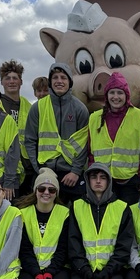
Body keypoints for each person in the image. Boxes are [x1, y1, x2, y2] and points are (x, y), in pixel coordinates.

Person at [80, 72, 140, 203]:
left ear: (126, 95)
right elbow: (90, 151)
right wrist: (94, 175)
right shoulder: (94, 118)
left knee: (127, 220)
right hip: (102, 182)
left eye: (120, 93)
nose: (116, 97)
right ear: (106, 95)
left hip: (130, 183)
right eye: (112, 93)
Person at [24, 62, 90, 202]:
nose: (59, 81)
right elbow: (30, 140)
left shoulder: (80, 109)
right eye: (55, 78)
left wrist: (76, 171)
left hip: (70, 175)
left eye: (63, 78)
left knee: (71, 216)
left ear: (69, 82)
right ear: (50, 82)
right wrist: (39, 169)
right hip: (44, 170)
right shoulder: (37, 108)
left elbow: (85, 144)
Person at [0, 59, 33, 195]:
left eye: (15, 78)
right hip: (5, 170)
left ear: (21, 82)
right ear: (2, 82)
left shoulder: (29, 107)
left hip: (28, 169)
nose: (11, 81)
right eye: (7, 78)